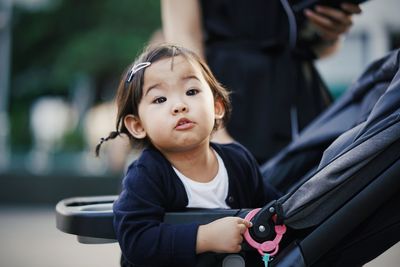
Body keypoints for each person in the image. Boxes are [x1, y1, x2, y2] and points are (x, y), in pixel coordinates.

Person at [96, 44, 280, 267]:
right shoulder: (146, 175)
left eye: (191, 92)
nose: (179, 106)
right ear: (137, 125)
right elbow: (136, 240)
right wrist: (204, 238)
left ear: (217, 107)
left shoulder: (238, 161)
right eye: (160, 99)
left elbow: (274, 210)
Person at [161, 0, 362, 163]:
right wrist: (213, 127)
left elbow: (317, 49)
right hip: (233, 104)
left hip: (306, 105)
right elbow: (183, 38)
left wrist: (330, 32)